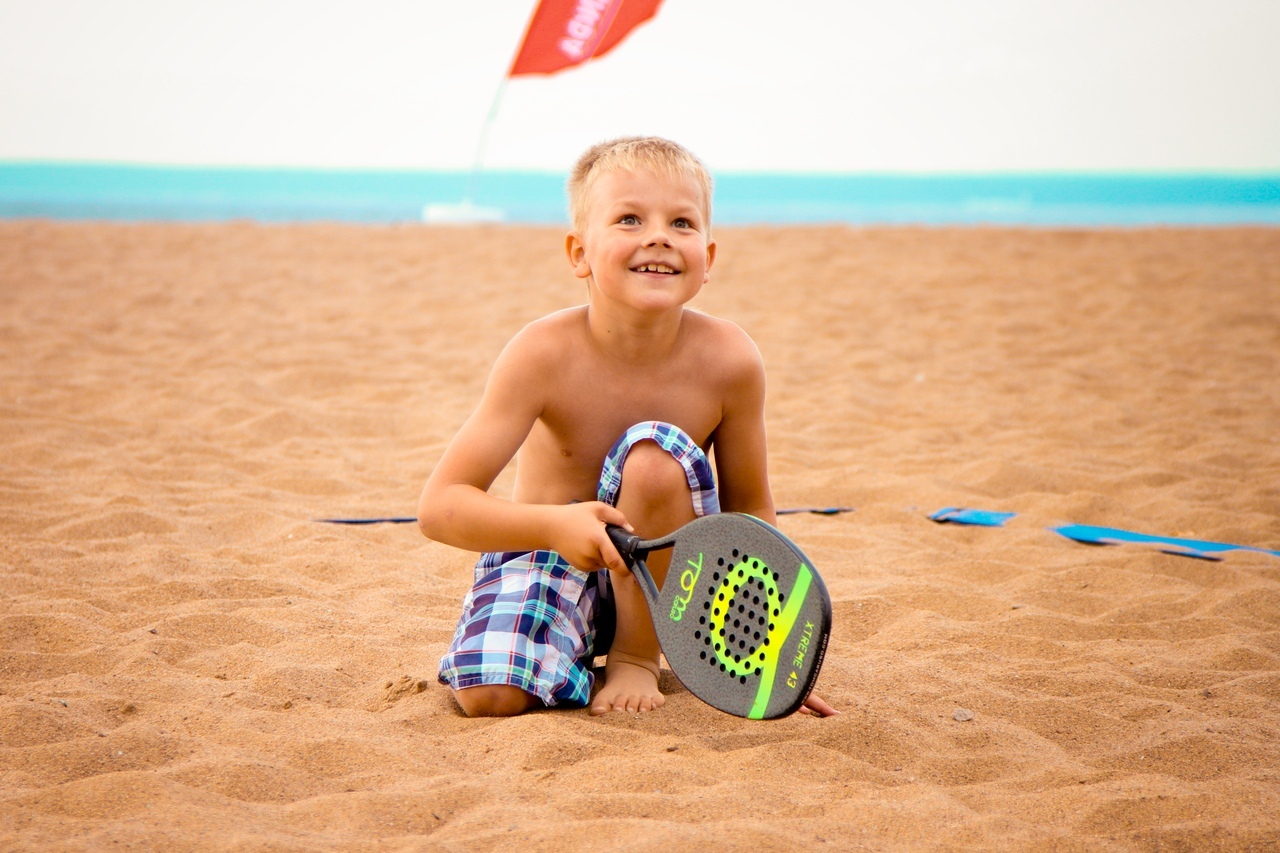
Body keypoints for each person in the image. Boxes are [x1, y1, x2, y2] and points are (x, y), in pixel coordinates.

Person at [419, 136, 835, 718]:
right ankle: (579, 649)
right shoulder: (541, 353)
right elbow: (440, 507)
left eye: (682, 222)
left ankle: (636, 656)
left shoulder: (730, 359)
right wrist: (555, 525)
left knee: (654, 454)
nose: (658, 235)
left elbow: (751, 514)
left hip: (676, 580)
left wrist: (770, 648)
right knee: (489, 697)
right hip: (553, 559)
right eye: (629, 219)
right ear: (579, 253)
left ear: (708, 260)